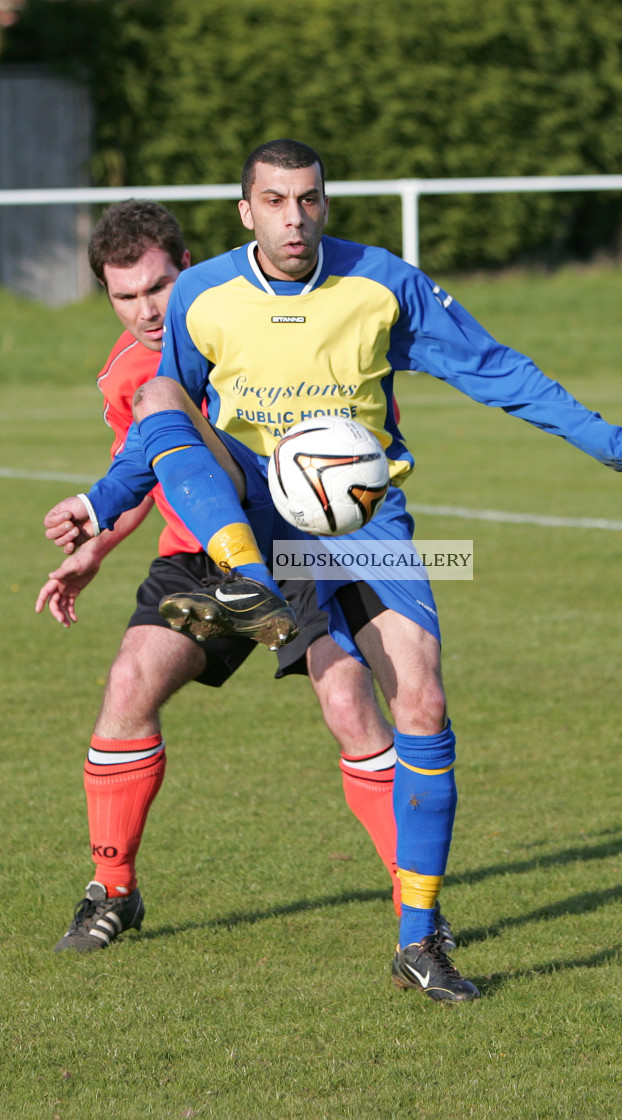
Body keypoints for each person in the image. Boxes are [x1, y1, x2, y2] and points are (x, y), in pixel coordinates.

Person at [45, 141, 622, 1002]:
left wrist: (620, 445)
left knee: (414, 695)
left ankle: (419, 939)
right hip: (233, 530)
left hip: (359, 524)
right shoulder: (204, 298)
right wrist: (97, 509)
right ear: (245, 212)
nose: (293, 217)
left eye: (307, 199)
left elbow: (496, 370)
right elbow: (162, 426)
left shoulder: (382, 282)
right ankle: (114, 881)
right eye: (274, 201)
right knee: (159, 418)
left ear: (326, 202)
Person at [37, 199, 449, 958]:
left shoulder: (246, 323)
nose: (146, 310)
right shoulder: (125, 374)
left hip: (297, 546)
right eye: (125, 296)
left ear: (186, 271)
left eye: (157, 287)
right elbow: (142, 472)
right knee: (129, 684)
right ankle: (113, 891)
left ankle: (414, 899)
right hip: (198, 558)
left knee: (349, 699)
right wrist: (94, 548)